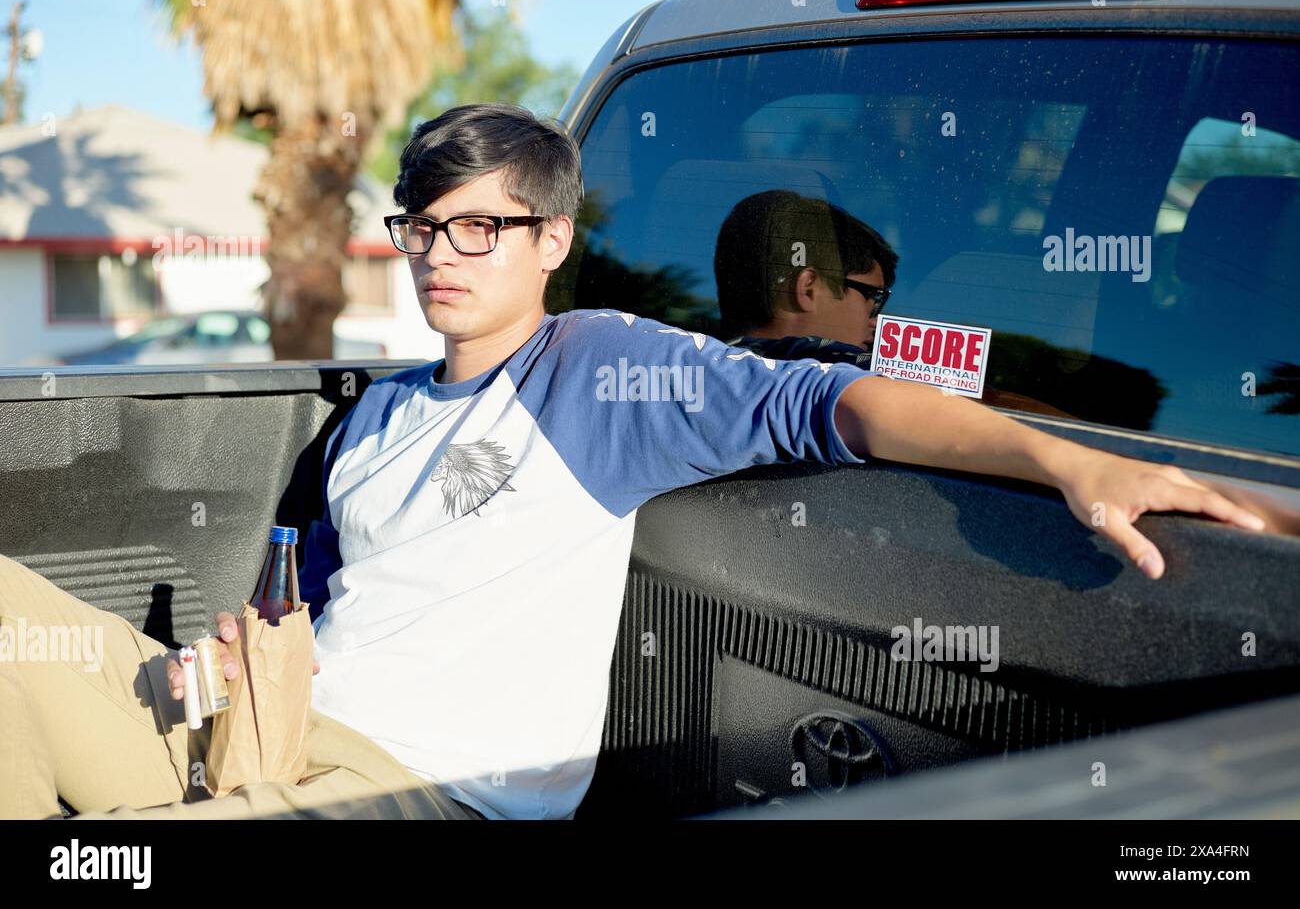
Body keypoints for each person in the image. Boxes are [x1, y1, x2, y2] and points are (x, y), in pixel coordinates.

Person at [0, 103, 1267, 821]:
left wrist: (1060, 462)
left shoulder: (597, 371)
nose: (444, 253)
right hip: (268, 719)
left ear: (551, 239)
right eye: (423, 227)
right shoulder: (376, 412)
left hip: (422, 788)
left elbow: (842, 404)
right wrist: (244, 657)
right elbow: (333, 600)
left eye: (482, 227)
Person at [716, 189, 896, 365]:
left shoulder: (696, 361)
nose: (877, 322)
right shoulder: (851, 380)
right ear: (809, 289)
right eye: (873, 299)